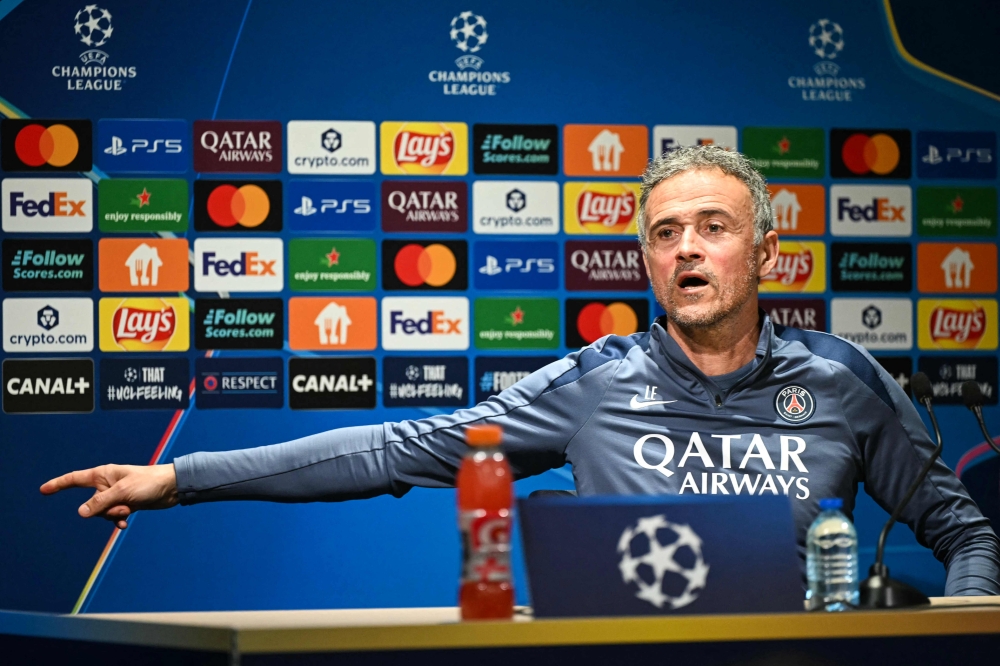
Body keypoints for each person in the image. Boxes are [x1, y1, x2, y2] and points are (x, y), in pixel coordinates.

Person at [42, 146, 1000, 595]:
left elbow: (965, 531)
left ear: (770, 254)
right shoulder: (597, 379)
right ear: (645, 263)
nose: (687, 250)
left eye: (714, 228)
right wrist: (180, 478)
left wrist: (957, 629)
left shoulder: (841, 380)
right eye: (665, 235)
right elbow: (398, 449)